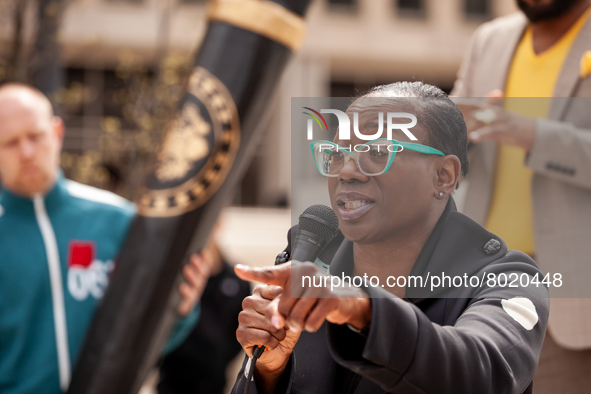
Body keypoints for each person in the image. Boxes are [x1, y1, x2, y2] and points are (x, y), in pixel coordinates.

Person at [230, 82, 549, 394]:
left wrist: (365, 309)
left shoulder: (507, 278)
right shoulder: (312, 254)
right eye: (337, 154)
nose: (346, 171)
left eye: (378, 152)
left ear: (443, 176)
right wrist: (269, 370)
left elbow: (484, 374)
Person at [0, 83, 209, 394]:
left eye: (35, 136)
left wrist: (178, 311)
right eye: (10, 143)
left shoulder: (119, 220)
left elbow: (146, 339)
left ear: (57, 132)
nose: (27, 152)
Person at [451, 0, 591, 391]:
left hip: (572, 294)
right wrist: (451, 132)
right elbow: (453, 147)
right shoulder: (489, 40)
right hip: (483, 281)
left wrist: (529, 133)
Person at [158, 233, 251, 394]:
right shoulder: (176, 280)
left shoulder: (237, 279)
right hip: (171, 381)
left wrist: (216, 358)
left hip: (215, 382)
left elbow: (239, 335)